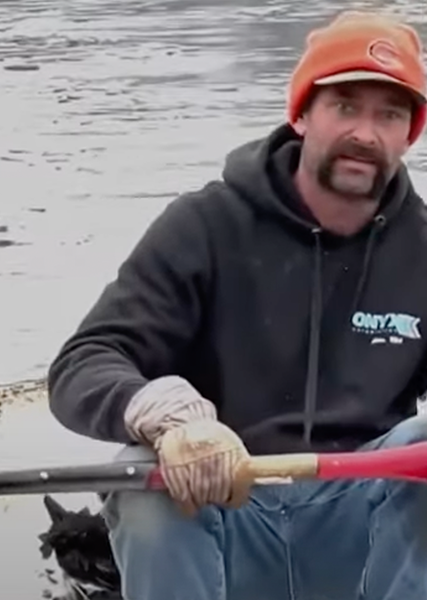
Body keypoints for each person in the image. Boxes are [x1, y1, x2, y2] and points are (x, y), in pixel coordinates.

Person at [45, 10, 427, 600]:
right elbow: (85, 362)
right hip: (223, 503)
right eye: (345, 106)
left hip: (361, 520)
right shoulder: (204, 226)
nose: (365, 133)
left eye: (390, 114)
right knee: (141, 474)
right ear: (301, 113)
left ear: (410, 134)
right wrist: (172, 418)